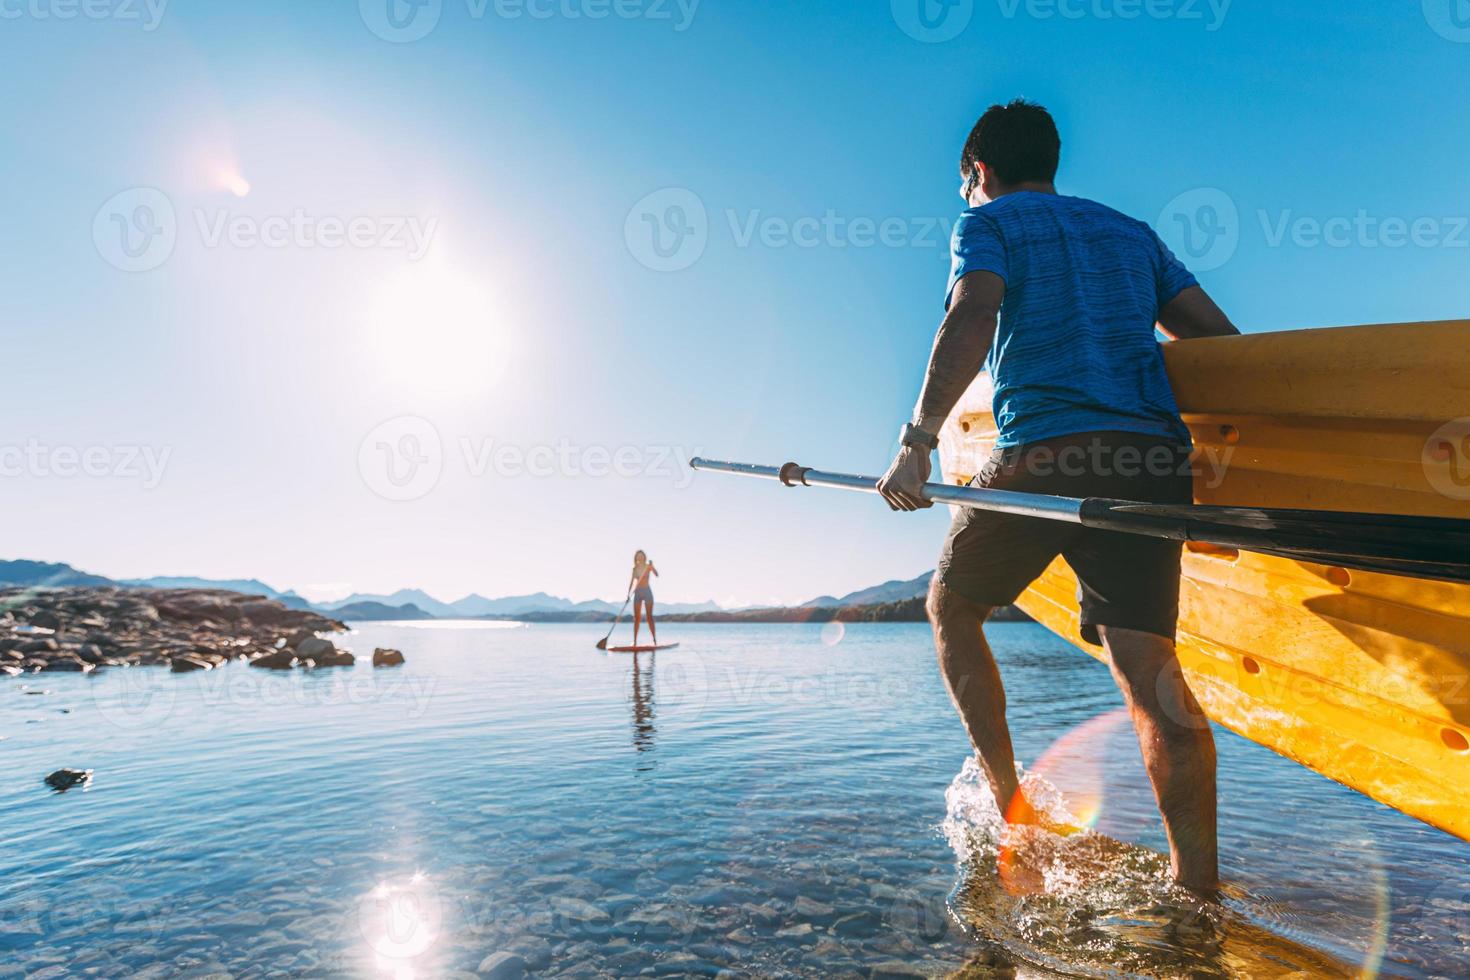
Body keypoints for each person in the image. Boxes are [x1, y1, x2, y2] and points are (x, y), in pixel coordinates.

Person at [876, 100, 1240, 894]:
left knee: (951, 606)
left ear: (978, 172)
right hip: (1150, 462)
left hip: (1045, 450)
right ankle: (1198, 887)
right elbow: (1219, 343)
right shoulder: (1130, 234)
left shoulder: (989, 220)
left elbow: (974, 310)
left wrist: (917, 443)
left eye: (966, 183)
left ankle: (1011, 805)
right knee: (1150, 672)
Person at [628, 550, 659, 647]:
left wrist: (652, 566)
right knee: (636, 618)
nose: (640, 558)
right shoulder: (635, 568)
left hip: (647, 592)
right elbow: (632, 581)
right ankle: (635, 641)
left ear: (644, 557)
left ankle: (654, 640)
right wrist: (628, 594)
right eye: (638, 556)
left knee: (649, 617)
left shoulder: (647, 566)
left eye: (641, 556)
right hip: (638, 592)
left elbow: (656, 574)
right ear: (636, 558)